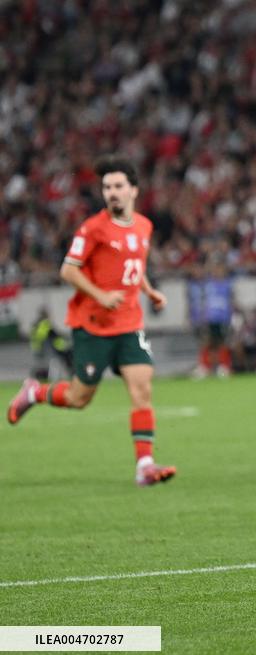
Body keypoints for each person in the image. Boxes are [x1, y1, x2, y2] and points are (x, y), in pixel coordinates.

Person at [6, 155, 176, 486]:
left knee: (142, 388)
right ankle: (34, 393)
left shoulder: (144, 226)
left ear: (133, 191)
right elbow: (68, 270)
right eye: (107, 187)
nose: (111, 192)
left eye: (118, 186)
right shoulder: (93, 228)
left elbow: (135, 267)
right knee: (78, 398)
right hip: (93, 325)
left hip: (129, 323)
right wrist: (100, 295)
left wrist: (151, 291)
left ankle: (144, 466)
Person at [29, 306, 73, 380]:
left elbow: (35, 336)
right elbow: (53, 334)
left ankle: (42, 376)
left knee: (43, 364)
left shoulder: (35, 324)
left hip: (37, 347)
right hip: (48, 347)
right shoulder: (45, 323)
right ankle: (54, 376)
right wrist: (64, 339)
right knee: (56, 361)